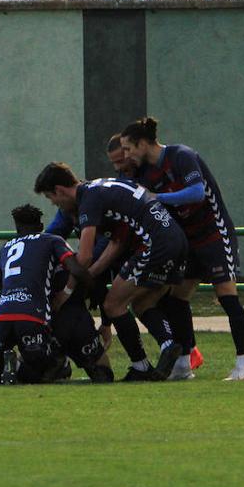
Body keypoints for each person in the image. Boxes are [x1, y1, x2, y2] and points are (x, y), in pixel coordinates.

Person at [120, 117, 244, 381]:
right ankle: (183, 365)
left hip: (214, 233)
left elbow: (196, 193)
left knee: (227, 296)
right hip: (188, 241)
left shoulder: (181, 155)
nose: (127, 155)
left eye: (128, 149)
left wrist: (159, 198)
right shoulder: (145, 174)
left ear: (143, 143)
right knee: (176, 299)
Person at [34, 162, 187, 382]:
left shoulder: (88, 200)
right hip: (176, 242)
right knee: (142, 304)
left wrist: (67, 291)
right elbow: (117, 244)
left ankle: (141, 366)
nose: (54, 203)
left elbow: (84, 256)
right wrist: (91, 275)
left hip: (155, 244)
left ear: (59, 190)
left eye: (51, 198)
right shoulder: (102, 189)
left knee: (113, 304)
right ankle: (168, 344)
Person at [0, 204, 112, 385]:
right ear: (40, 226)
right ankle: (17, 367)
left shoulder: (6, 247)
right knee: (44, 370)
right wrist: (93, 290)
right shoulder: (52, 240)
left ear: (16, 227)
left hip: (2, 315)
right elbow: (78, 269)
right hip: (31, 316)